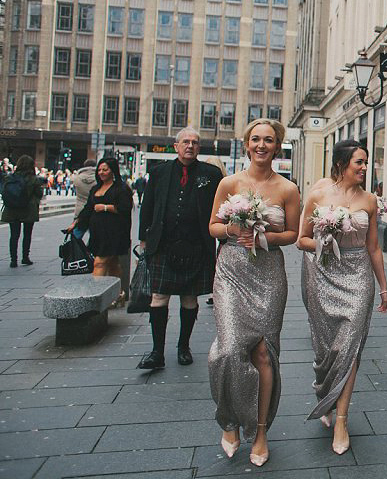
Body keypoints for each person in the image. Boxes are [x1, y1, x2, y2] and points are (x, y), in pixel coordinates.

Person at [207, 119, 299, 467]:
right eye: (256, 139)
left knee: (263, 354)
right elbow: (214, 225)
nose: (262, 145)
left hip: (269, 274)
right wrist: (233, 227)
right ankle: (229, 419)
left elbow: (291, 233)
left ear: (277, 147)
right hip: (232, 271)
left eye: (269, 140)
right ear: (247, 144)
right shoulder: (229, 183)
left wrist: (264, 236)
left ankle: (260, 431)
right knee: (229, 350)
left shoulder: (288, 189)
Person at [296, 140, 387, 455]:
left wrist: (384, 287)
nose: (365, 168)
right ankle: (325, 392)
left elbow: (374, 247)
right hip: (324, 275)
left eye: (365, 163)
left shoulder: (370, 200)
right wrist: (326, 242)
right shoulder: (318, 196)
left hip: (359, 277)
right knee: (327, 349)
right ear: (341, 164)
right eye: (359, 163)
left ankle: (342, 419)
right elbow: (301, 240)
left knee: (350, 348)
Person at [136, 128, 224, 369]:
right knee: (158, 297)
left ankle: (183, 346)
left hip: (196, 246)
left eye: (195, 143)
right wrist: (143, 241)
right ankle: (157, 352)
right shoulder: (159, 173)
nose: (190, 146)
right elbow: (148, 208)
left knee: (189, 297)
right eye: (186, 142)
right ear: (176, 146)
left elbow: (220, 208)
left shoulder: (211, 174)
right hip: (163, 245)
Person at [67, 158, 134, 301]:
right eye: (100, 170)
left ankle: (94, 297)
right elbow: (88, 208)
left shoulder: (121, 189)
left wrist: (105, 207)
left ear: (113, 171)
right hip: (98, 233)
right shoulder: (95, 188)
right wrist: (76, 223)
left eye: (105, 169)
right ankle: (118, 294)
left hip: (115, 233)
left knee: (99, 262)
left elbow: (125, 208)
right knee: (113, 263)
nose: (101, 172)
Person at [1, 155, 44, 267]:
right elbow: (39, 194)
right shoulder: (33, 179)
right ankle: (25, 257)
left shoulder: (10, 177)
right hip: (28, 209)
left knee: (14, 235)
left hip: (12, 209)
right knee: (27, 234)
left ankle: (13, 260)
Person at [71, 160, 98, 239]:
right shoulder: (99, 178)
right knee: (95, 237)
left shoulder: (77, 178)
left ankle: (75, 250)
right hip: (94, 210)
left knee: (76, 236)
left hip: (80, 210)